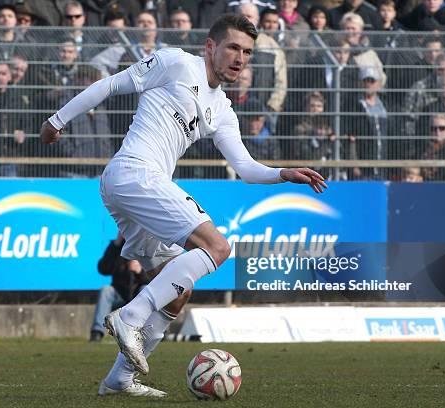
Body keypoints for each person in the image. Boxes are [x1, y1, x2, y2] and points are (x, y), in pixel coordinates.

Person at [40, 14, 327, 397]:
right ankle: (131, 315)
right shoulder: (175, 62)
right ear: (211, 46)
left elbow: (244, 167)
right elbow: (111, 84)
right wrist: (57, 120)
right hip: (134, 173)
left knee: (177, 290)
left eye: (247, 52)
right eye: (233, 48)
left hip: (137, 186)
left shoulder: (222, 110)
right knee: (218, 247)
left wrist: (282, 173)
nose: (240, 58)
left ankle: (119, 380)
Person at [91, 232, 149, 342]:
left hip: (138, 297)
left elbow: (157, 278)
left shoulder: (146, 246)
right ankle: (97, 332)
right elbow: (103, 268)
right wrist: (116, 245)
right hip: (120, 296)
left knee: (146, 289)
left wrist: (140, 271)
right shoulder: (117, 248)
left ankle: (154, 332)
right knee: (106, 290)